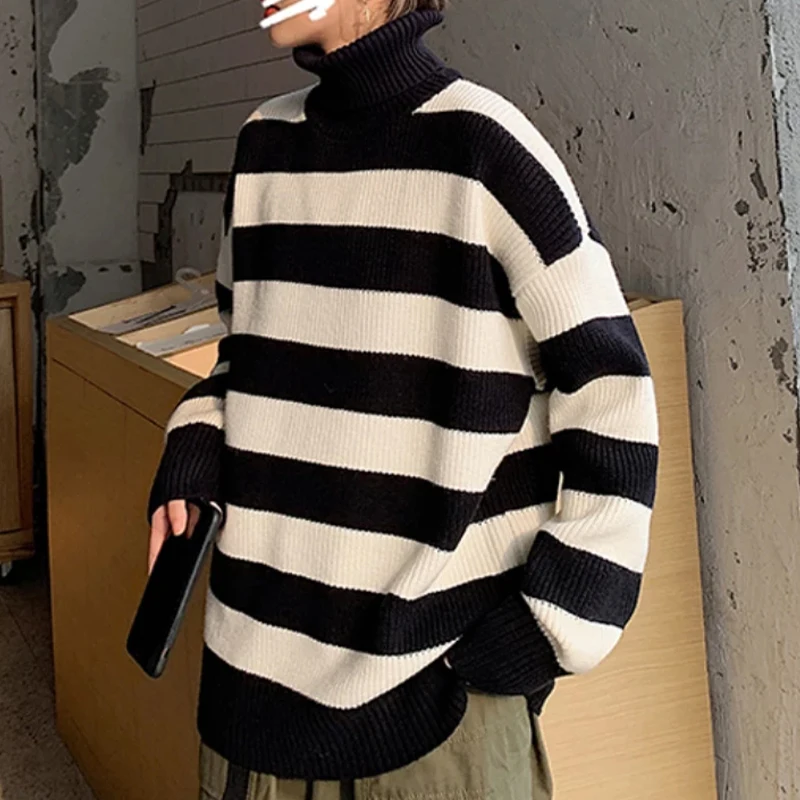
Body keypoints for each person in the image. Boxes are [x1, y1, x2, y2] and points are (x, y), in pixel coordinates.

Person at [147, 0, 660, 797]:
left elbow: (611, 388)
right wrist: (194, 444)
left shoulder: (484, 146)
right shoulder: (263, 144)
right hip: (248, 688)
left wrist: (557, 620)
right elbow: (244, 354)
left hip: (434, 708)